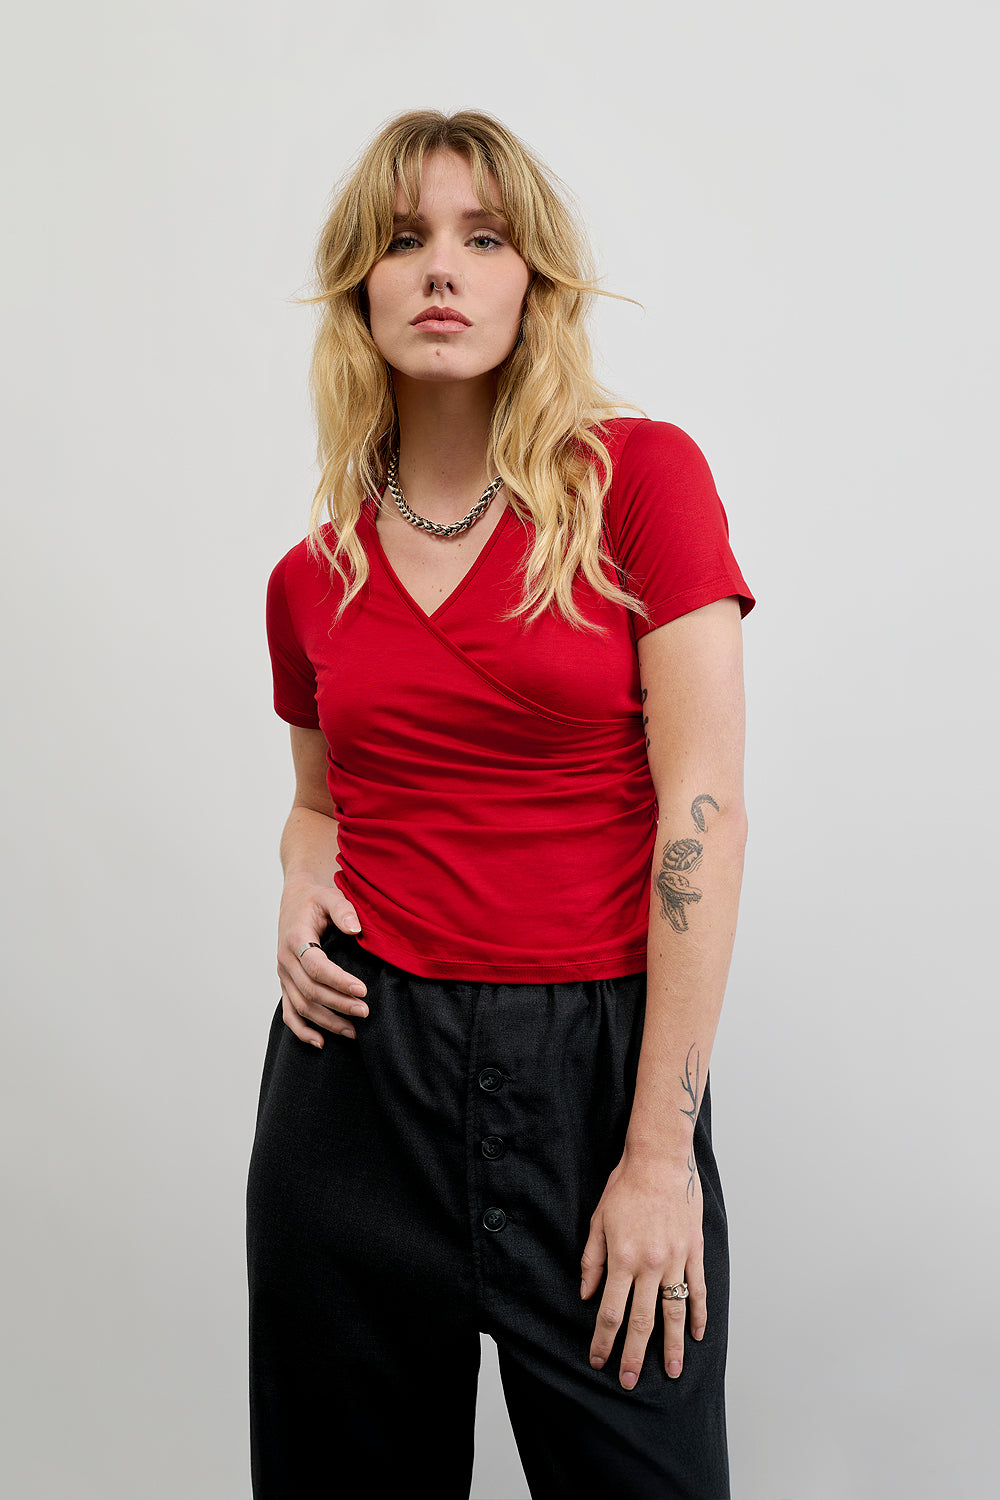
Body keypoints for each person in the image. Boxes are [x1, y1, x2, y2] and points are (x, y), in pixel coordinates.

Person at [246, 108, 755, 1500]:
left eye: (482, 238)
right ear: (359, 286)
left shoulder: (638, 483)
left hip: (595, 1076)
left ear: (534, 279)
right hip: (356, 1086)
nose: (441, 269)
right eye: (404, 240)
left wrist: (660, 1156)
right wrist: (300, 876)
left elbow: (705, 807)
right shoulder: (312, 576)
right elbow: (317, 802)